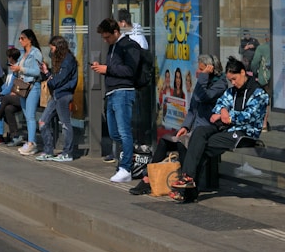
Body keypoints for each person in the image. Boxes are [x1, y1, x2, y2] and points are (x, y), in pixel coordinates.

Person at [171, 56, 269, 201]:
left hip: (245, 132)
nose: (233, 83)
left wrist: (228, 116)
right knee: (199, 132)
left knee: (202, 146)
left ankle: (189, 187)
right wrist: (223, 110)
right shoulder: (232, 91)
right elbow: (220, 104)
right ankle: (188, 178)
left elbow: (250, 115)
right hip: (226, 128)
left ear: (243, 72)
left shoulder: (259, 93)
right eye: (231, 81)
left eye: (234, 79)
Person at [129, 54, 227, 195]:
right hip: (195, 129)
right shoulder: (202, 83)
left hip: (209, 130)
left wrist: (203, 77)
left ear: (210, 69)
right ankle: (147, 179)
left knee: (182, 144)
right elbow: (193, 109)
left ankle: (185, 186)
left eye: (201, 69)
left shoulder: (220, 84)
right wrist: (185, 126)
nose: (197, 72)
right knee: (165, 141)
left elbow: (203, 97)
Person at [90, 18, 141, 183]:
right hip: (112, 92)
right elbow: (116, 68)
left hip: (123, 92)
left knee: (124, 131)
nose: (106, 41)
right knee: (114, 132)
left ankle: (126, 168)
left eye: (107, 37)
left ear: (116, 32)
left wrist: (107, 69)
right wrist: (104, 67)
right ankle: (128, 156)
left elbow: (130, 70)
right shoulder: (113, 47)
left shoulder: (129, 46)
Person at [36, 36, 78, 162]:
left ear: (58, 48)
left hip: (63, 95)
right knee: (43, 122)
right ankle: (48, 151)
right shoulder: (62, 61)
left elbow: (58, 80)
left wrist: (49, 79)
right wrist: (47, 72)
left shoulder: (68, 61)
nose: (51, 51)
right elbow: (55, 78)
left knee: (65, 124)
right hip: (57, 95)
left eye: (52, 48)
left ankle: (67, 153)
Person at [13, 29, 43, 156]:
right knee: (26, 114)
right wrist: (16, 70)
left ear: (29, 39)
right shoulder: (23, 53)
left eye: (22, 38)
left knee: (30, 115)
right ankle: (30, 141)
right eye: (19, 38)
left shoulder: (35, 52)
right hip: (23, 85)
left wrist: (21, 68)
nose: (20, 41)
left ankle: (32, 143)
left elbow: (37, 71)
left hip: (32, 86)